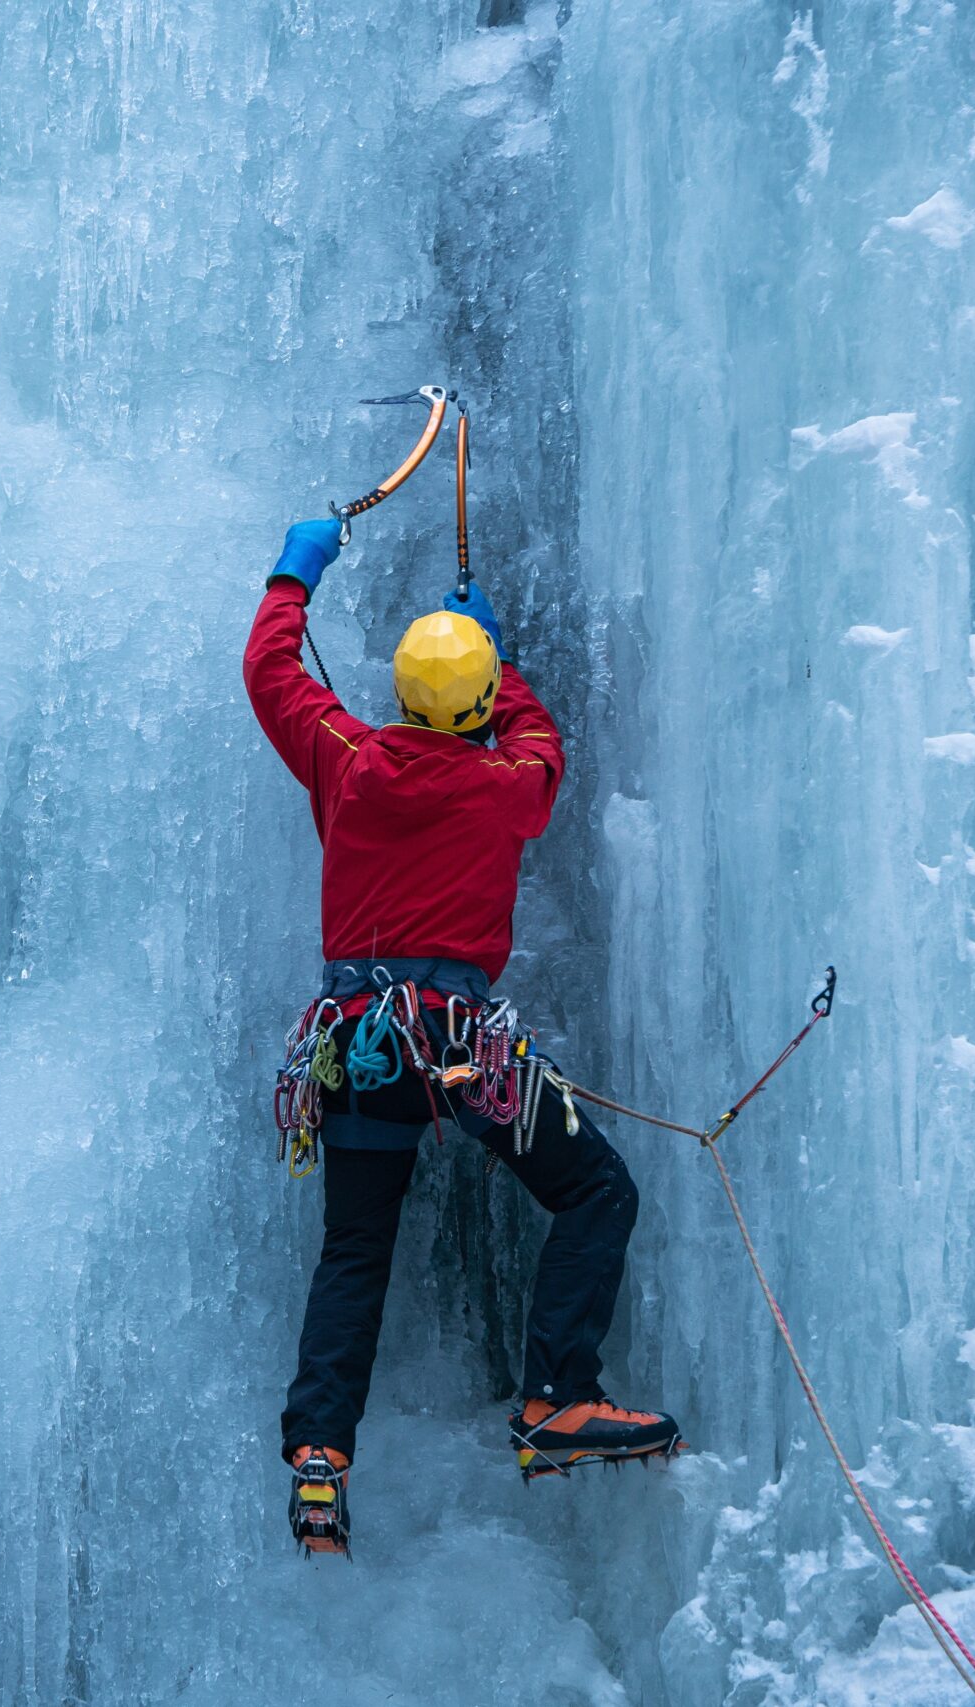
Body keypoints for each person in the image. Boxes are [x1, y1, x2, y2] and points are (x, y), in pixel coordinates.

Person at [243, 516, 680, 1558]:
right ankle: (556, 1399)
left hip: (354, 1047)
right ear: (478, 708)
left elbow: (270, 673)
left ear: (398, 695)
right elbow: (540, 743)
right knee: (595, 1190)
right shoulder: (504, 784)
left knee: (355, 1249)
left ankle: (321, 1455)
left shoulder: (347, 758)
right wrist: (504, 663)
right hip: (457, 1050)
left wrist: (294, 574)